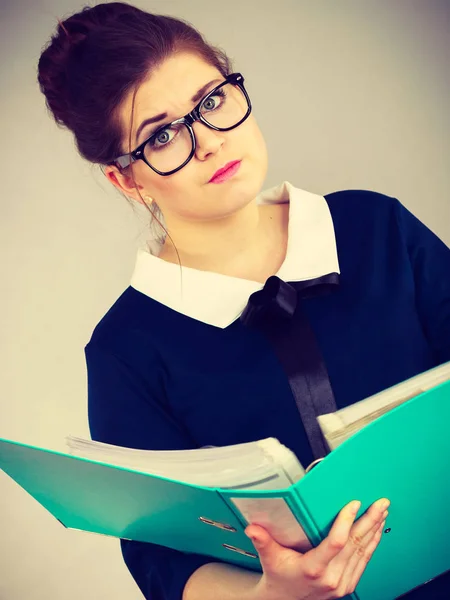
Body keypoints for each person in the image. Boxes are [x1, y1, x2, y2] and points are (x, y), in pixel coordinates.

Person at [37, 3, 450, 600]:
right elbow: (156, 552)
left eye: (210, 102)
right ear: (126, 179)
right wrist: (268, 596)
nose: (207, 142)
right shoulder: (125, 348)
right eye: (161, 136)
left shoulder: (374, 226)